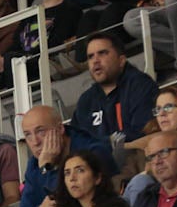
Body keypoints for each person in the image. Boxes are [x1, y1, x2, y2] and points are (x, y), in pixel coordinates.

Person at [68, 34, 158, 169]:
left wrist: (100, 145)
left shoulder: (140, 86)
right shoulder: (86, 100)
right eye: (90, 56)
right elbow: (76, 143)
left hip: (137, 165)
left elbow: (143, 133)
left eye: (102, 53)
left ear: (121, 60)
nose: (95, 61)